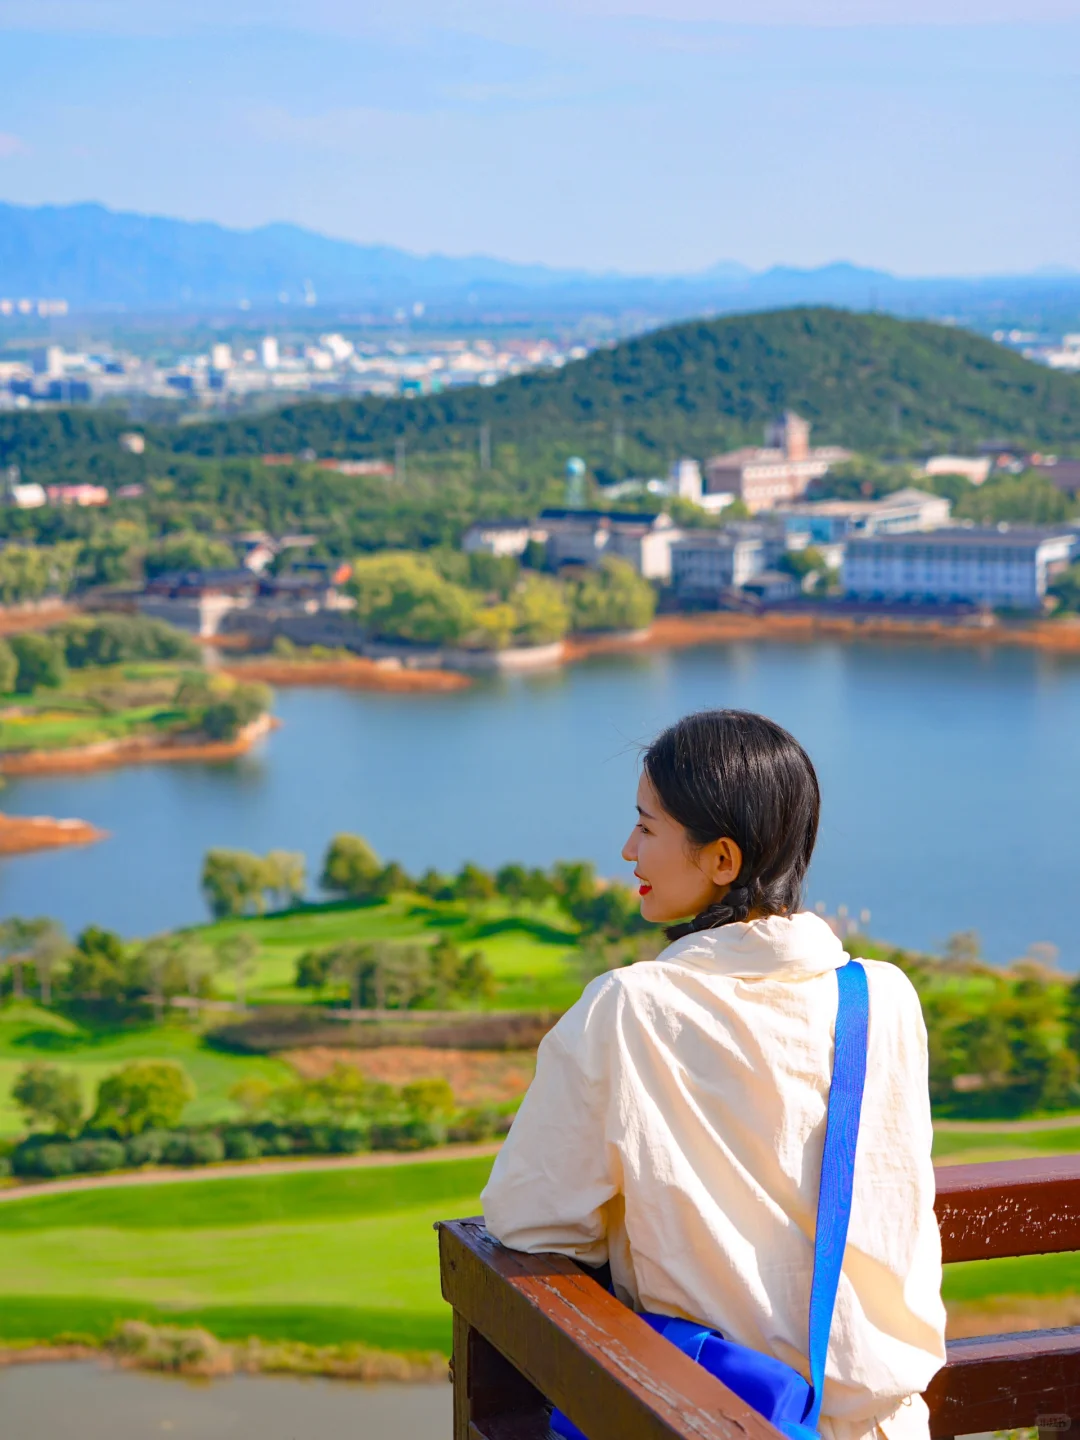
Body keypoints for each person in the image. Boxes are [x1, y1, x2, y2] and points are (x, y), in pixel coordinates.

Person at [482, 709, 946, 1440]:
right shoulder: (882, 997)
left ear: (722, 860)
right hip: (888, 1424)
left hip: (710, 1418)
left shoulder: (630, 1008)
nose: (627, 849)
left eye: (647, 827)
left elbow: (528, 1219)